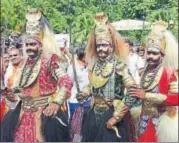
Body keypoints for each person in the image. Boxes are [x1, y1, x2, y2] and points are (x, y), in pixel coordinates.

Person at [0, 9, 73, 142]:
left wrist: (56, 102)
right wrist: (12, 95)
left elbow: (66, 81)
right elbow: (23, 89)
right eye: (27, 44)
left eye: (33, 44)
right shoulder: (24, 63)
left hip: (44, 116)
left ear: (40, 46)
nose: (29, 47)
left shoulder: (50, 61)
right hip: (22, 114)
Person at [77, 13, 141, 142]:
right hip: (93, 115)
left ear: (111, 46)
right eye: (98, 45)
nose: (100, 48)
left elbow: (133, 91)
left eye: (104, 45)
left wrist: (117, 116)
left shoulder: (119, 65)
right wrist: (85, 92)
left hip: (112, 114)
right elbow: (94, 84)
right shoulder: (95, 65)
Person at [127, 20, 178, 142]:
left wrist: (147, 96)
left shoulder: (169, 73)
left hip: (161, 122)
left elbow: (176, 99)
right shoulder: (145, 70)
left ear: (162, 55)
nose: (150, 56)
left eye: (154, 53)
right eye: (148, 52)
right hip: (144, 119)